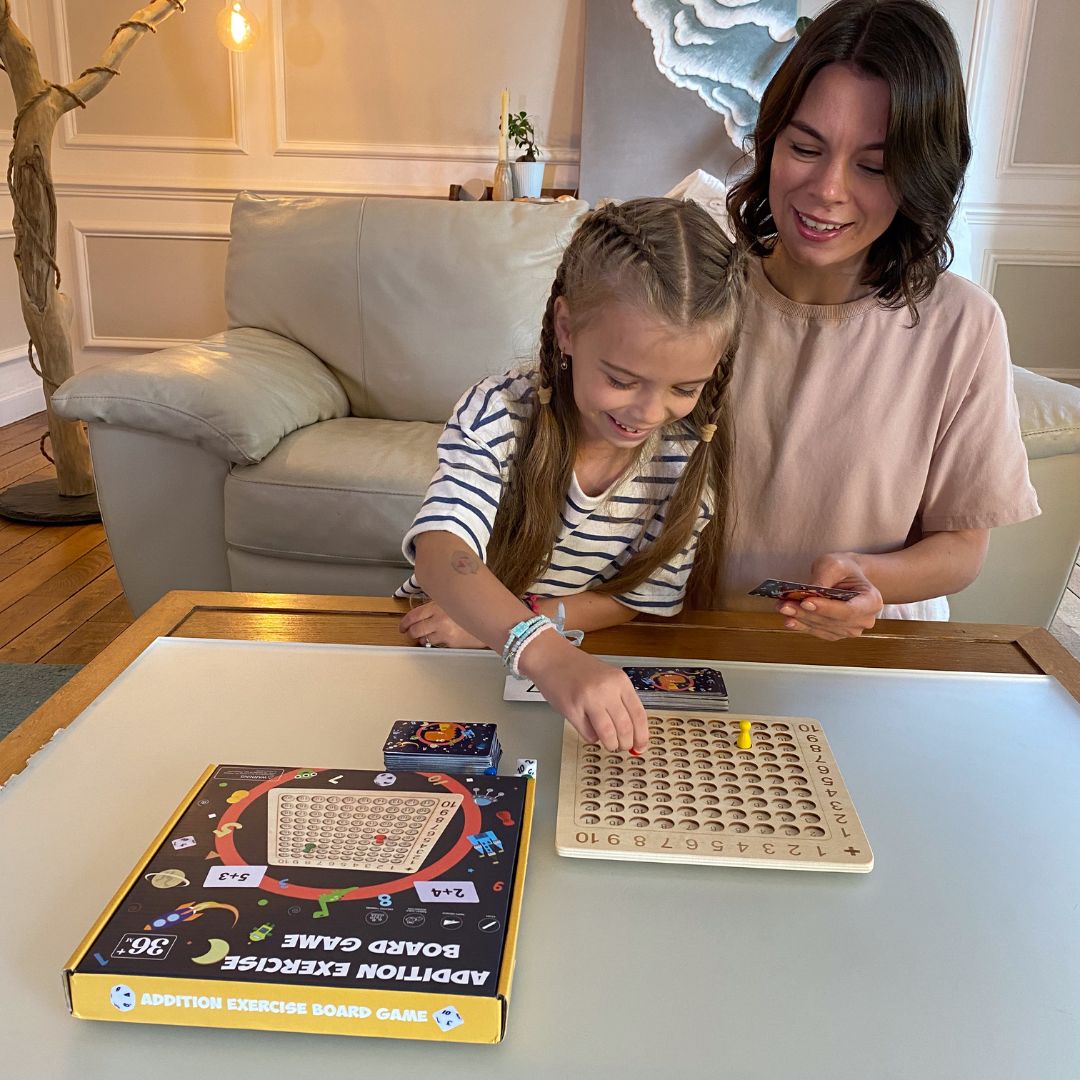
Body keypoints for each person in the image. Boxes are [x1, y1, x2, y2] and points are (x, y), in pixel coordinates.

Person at [723, 0, 1039, 640]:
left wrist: (871, 577)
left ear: (921, 173)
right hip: (702, 649)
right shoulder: (700, 294)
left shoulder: (962, 325)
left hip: (877, 653)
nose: (828, 189)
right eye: (805, 147)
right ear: (771, 142)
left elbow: (961, 548)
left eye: (872, 165)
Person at [397, 198, 746, 751]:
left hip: (543, 660)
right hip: (437, 655)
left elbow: (638, 599)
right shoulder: (499, 412)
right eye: (622, 379)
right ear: (566, 329)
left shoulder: (687, 457)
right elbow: (443, 550)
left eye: (684, 388)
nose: (649, 414)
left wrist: (519, 629)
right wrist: (538, 648)